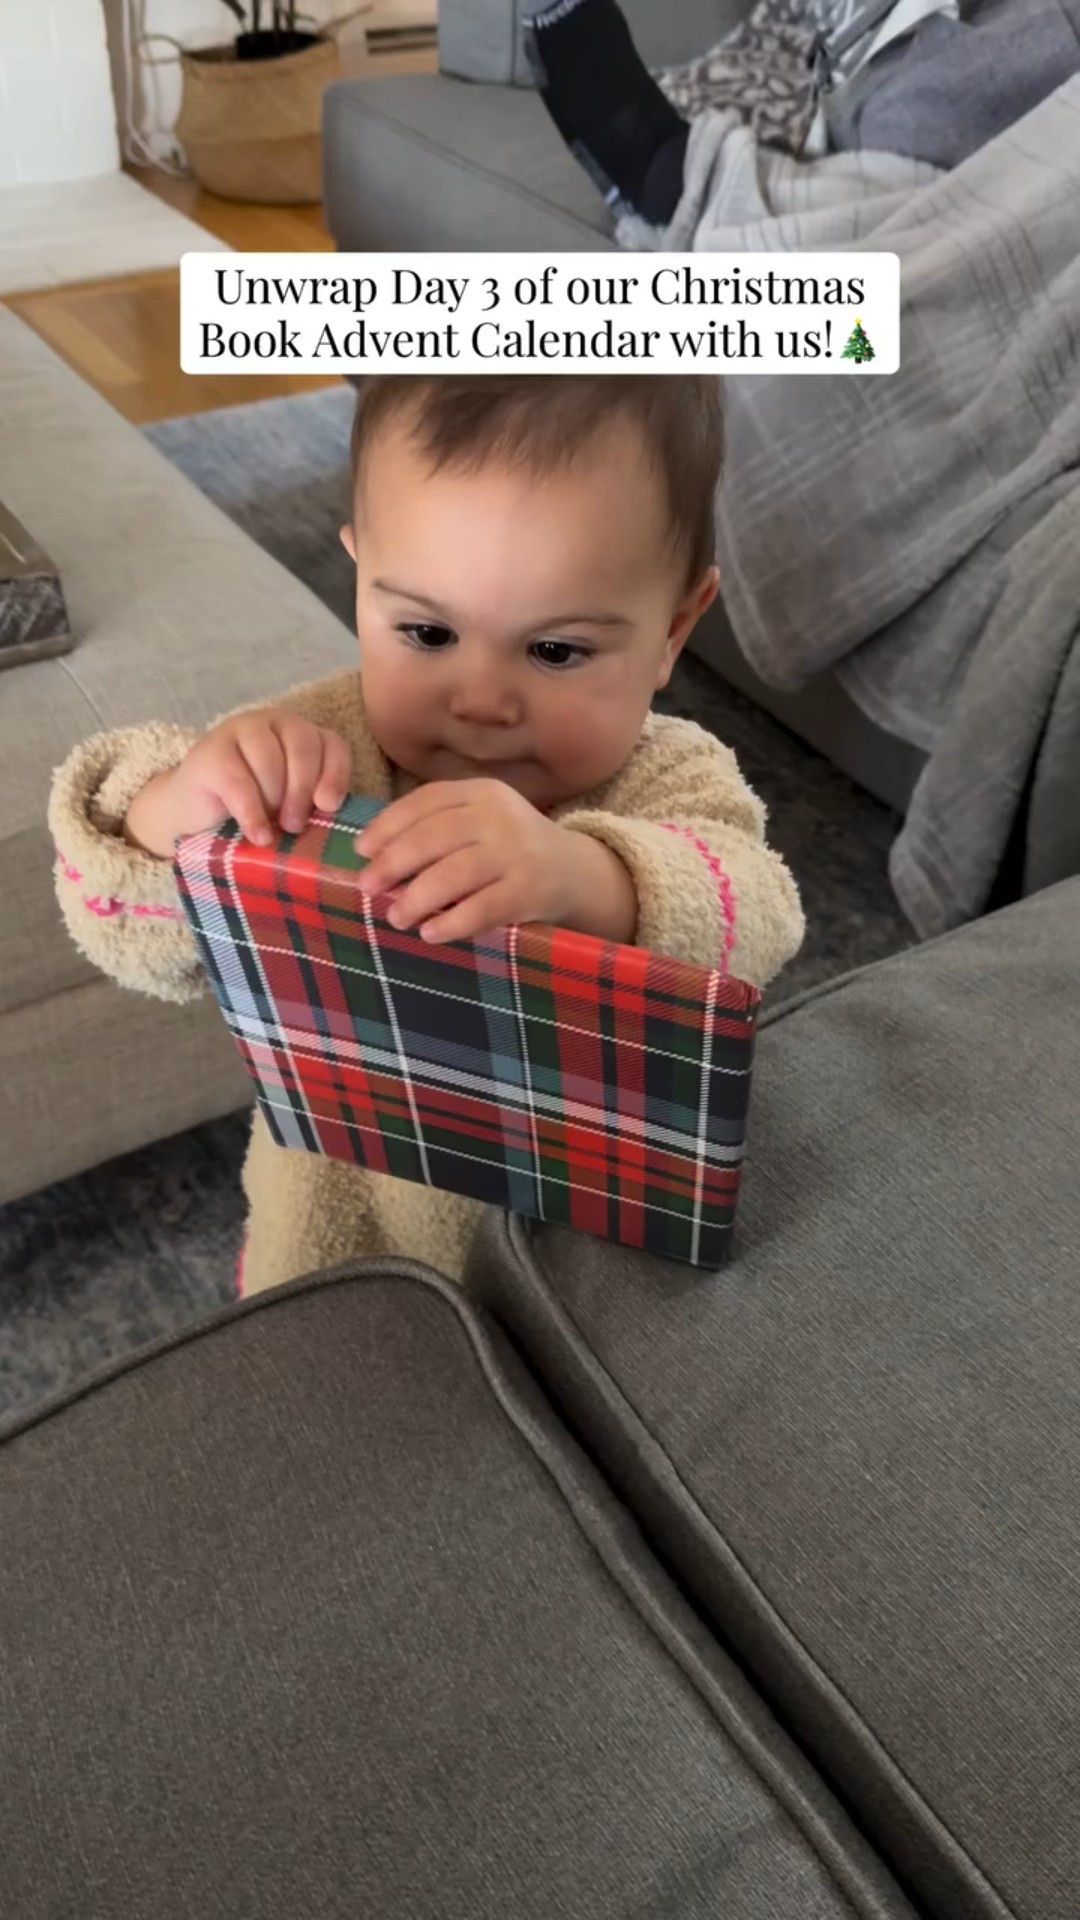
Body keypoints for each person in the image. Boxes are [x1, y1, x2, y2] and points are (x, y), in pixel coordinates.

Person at [49, 374, 805, 1297]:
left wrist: (588, 875)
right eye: (427, 632)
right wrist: (179, 808)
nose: (481, 700)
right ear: (362, 577)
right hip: (343, 1249)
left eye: (556, 650)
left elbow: (758, 914)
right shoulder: (322, 749)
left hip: (591, 1267)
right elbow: (121, 925)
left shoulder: (669, 774)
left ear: (672, 631)